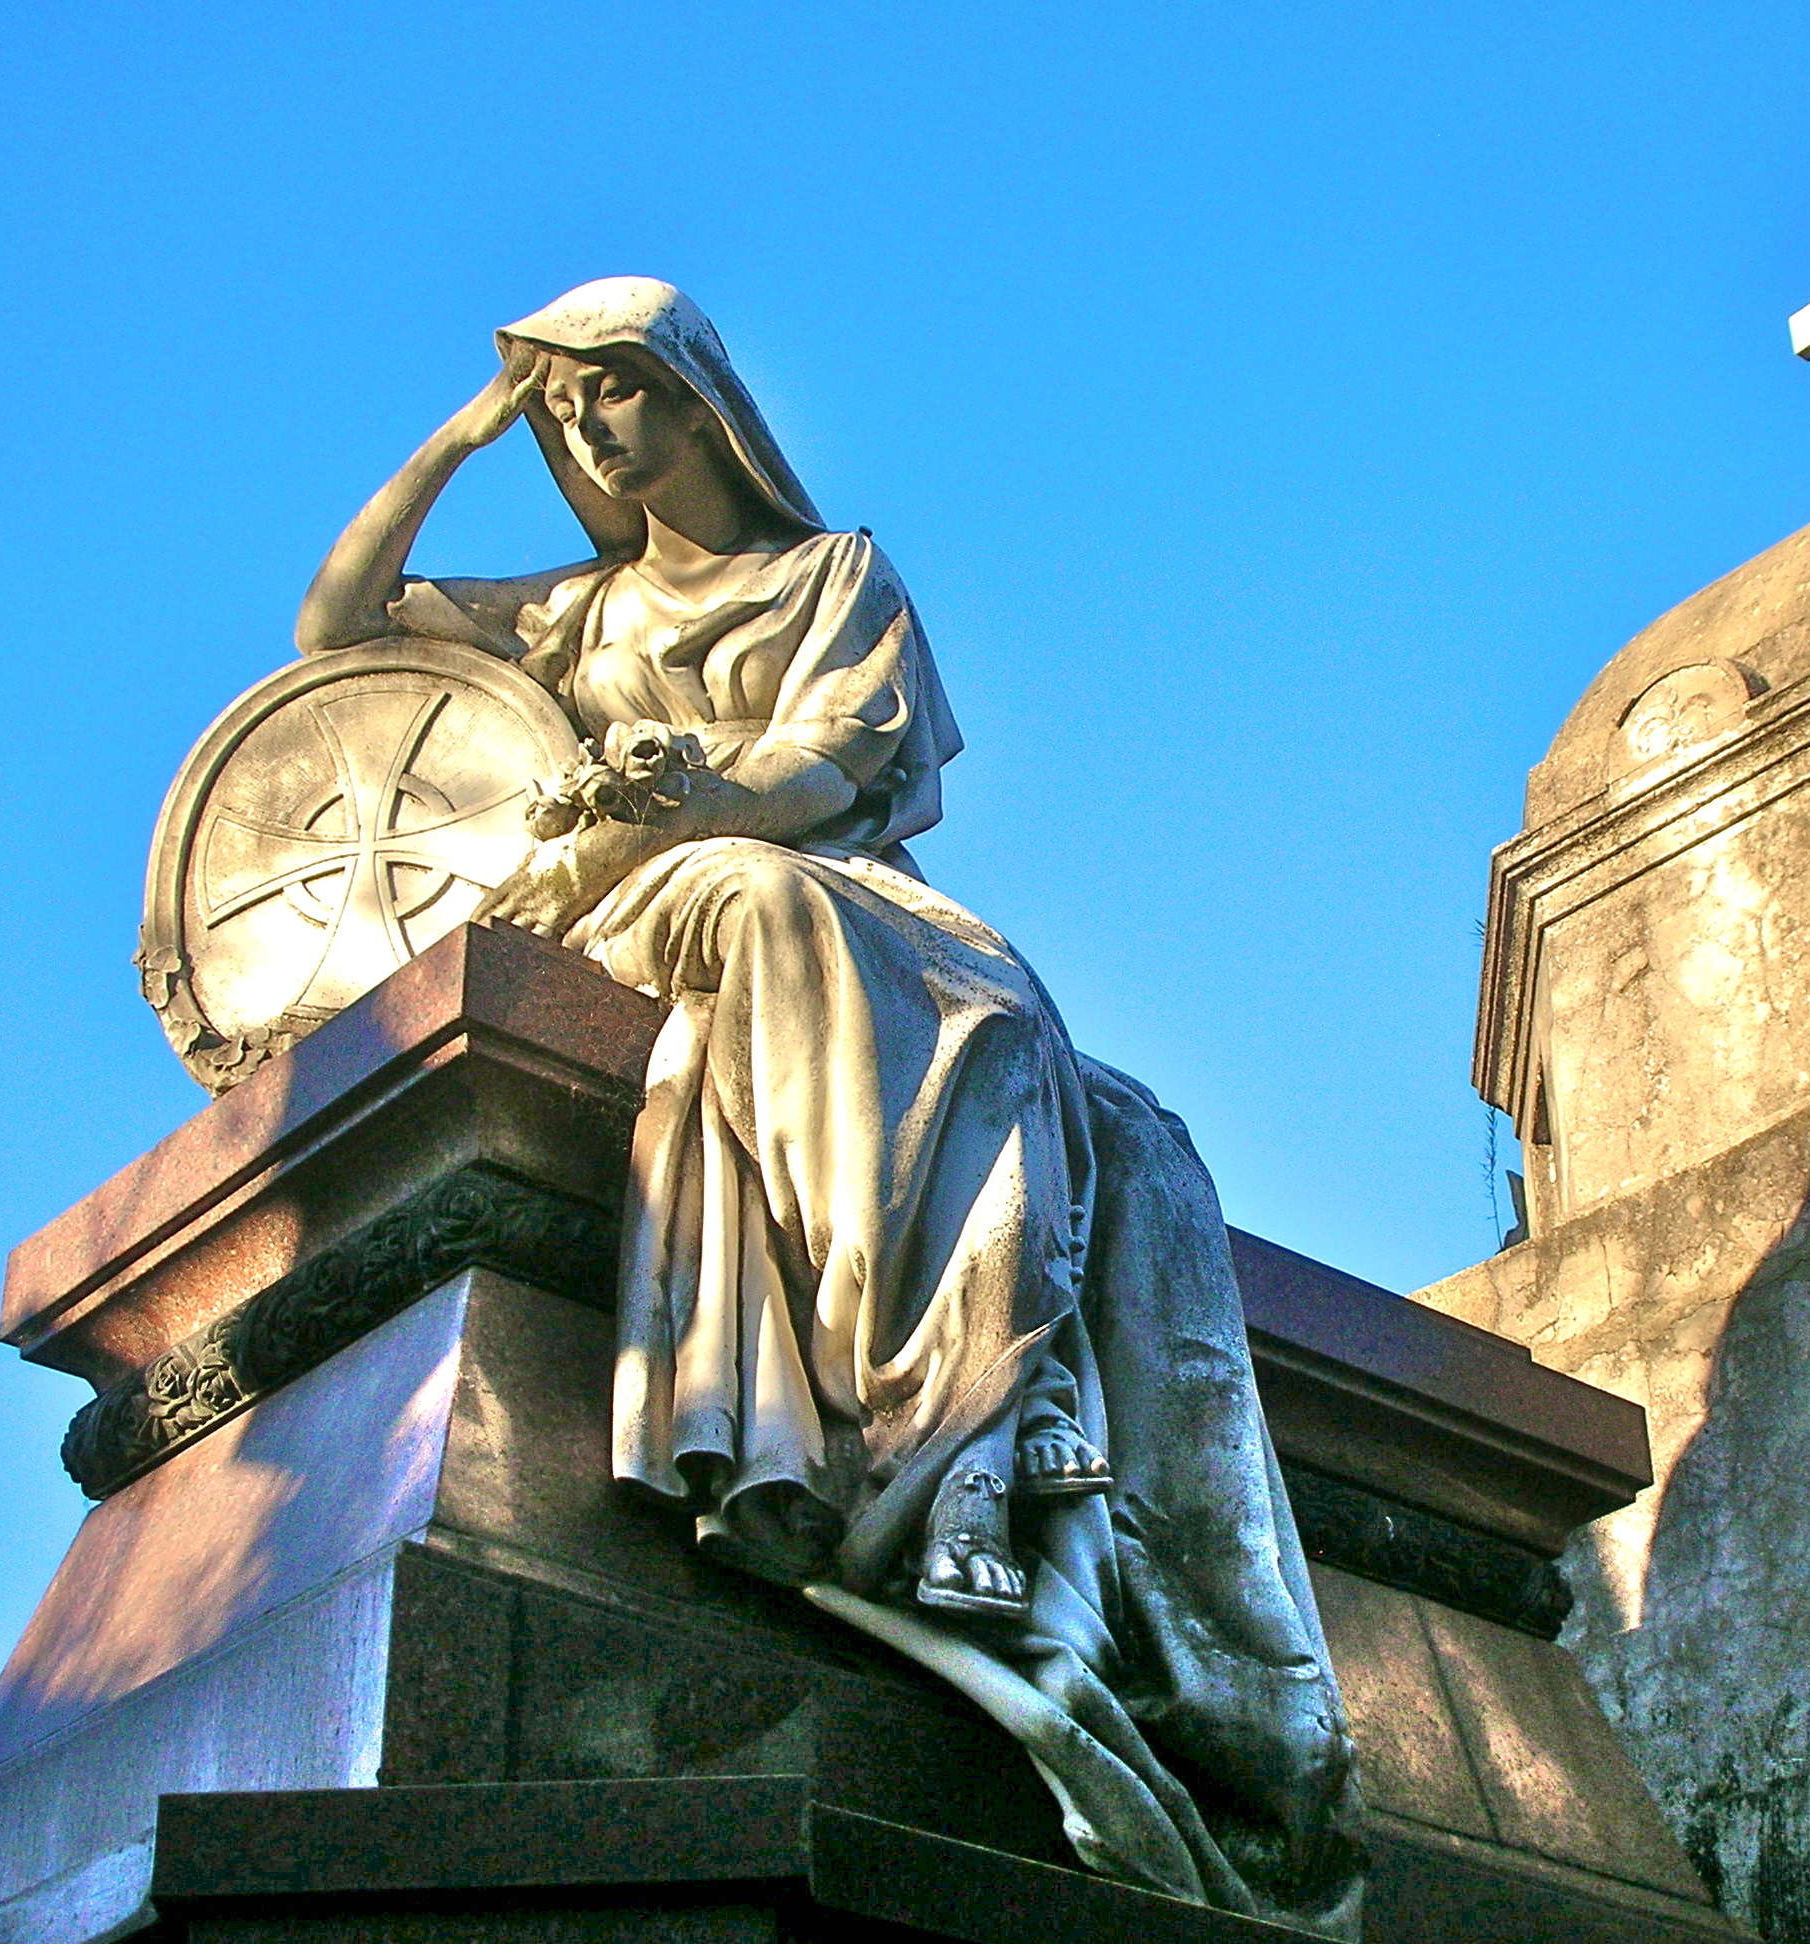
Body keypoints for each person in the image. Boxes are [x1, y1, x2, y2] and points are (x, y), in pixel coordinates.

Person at [298, 278, 1360, 1931]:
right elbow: (337, 627)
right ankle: (913, 1411)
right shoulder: (574, 613)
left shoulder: (830, 577)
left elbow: (819, 776)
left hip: (792, 864)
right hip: (649, 904)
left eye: (616, 393)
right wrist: (462, 432)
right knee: (793, 921)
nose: (591, 429)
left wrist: (700, 778)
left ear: (700, 400)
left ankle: (962, 1405)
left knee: (1105, 1108)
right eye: (568, 410)